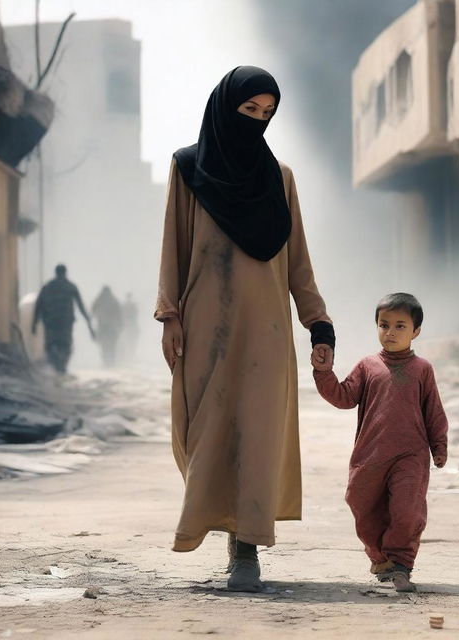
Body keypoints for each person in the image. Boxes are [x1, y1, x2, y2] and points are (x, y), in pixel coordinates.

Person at [155, 66, 335, 592]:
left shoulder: (279, 178)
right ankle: (211, 526)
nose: (257, 121)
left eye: (267, 114)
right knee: (206, 434)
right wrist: (169, 315)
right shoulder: (188, 168)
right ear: (224, 108)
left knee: (257, 436)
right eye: (248, 110)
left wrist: (318, 326)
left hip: (267, 332)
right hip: (205, 329)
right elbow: (174, 246)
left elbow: (298, 260)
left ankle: (246, 550)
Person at [312, 292, 448, 593]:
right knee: (361, 504)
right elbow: (344, 397)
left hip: (411, 454)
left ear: (416, 331)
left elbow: (433, 410)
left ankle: (401, 563)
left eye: (400, 326)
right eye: (384, 325)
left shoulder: (422, 369)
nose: (390, 332)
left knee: (407, 509)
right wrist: (324, 373)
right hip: (370, 454)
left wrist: (439, 445)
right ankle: (380, 557)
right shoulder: (367, 365)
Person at [32, 264, 95, 374]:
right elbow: (80, 306)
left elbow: (38, 305)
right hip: (65, 323)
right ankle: (61, 368)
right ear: (65, 273)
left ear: (56, 273)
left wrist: (34, 323)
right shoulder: (70, 287)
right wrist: (89, 324)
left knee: (50, 345)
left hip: (50, 323)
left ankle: (56, 368)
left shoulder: (47, 287)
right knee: (65, 345)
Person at [91, 285, 123, 367]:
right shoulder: (113, 300)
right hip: (111, 328)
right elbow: (119, 315)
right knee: (111, 346)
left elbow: (93, 311)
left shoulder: (99, 300)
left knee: (104, 346)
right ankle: (110, 363)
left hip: (103, 327)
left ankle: (107, 362)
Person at [119, 292, 139, 364]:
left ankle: (128, 358)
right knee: (130, 343)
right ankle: (129, 358)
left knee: (129, 343)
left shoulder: (125, 306)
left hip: (128, 326)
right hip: (129, 326)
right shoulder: (132, 306)